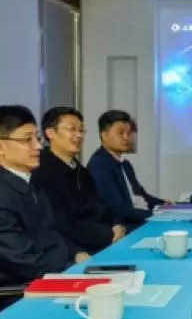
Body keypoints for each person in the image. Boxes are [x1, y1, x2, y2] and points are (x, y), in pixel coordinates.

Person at [0, 105, 85, 294]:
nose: (38, 146)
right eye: (27, 139)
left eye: (37, 138)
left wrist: (71, 255)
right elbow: (27, 263)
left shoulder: (29, 181)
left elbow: (52, 235)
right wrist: (65, 257)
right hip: (16, 292)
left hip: (51, 275)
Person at [32, 107, 126, 254]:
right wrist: (107, 235)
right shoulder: (42, 171)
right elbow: (61, 223)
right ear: (50, 133)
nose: (79, 135)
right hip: (73, 250)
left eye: (81, 130)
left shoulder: (81, 171)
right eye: (72, 129)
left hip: (101, 239)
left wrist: (116, 226)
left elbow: (99, 206)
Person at [87, 110, 168, 229]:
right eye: (120, 133)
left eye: (128, 133)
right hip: (126, 226)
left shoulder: (125, 164)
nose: (126, 137)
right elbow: (119, 210)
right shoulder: (100, 165)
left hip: (142, 218)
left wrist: (164, 204)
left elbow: (141, 195)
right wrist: (158, 215)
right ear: (104, 136)